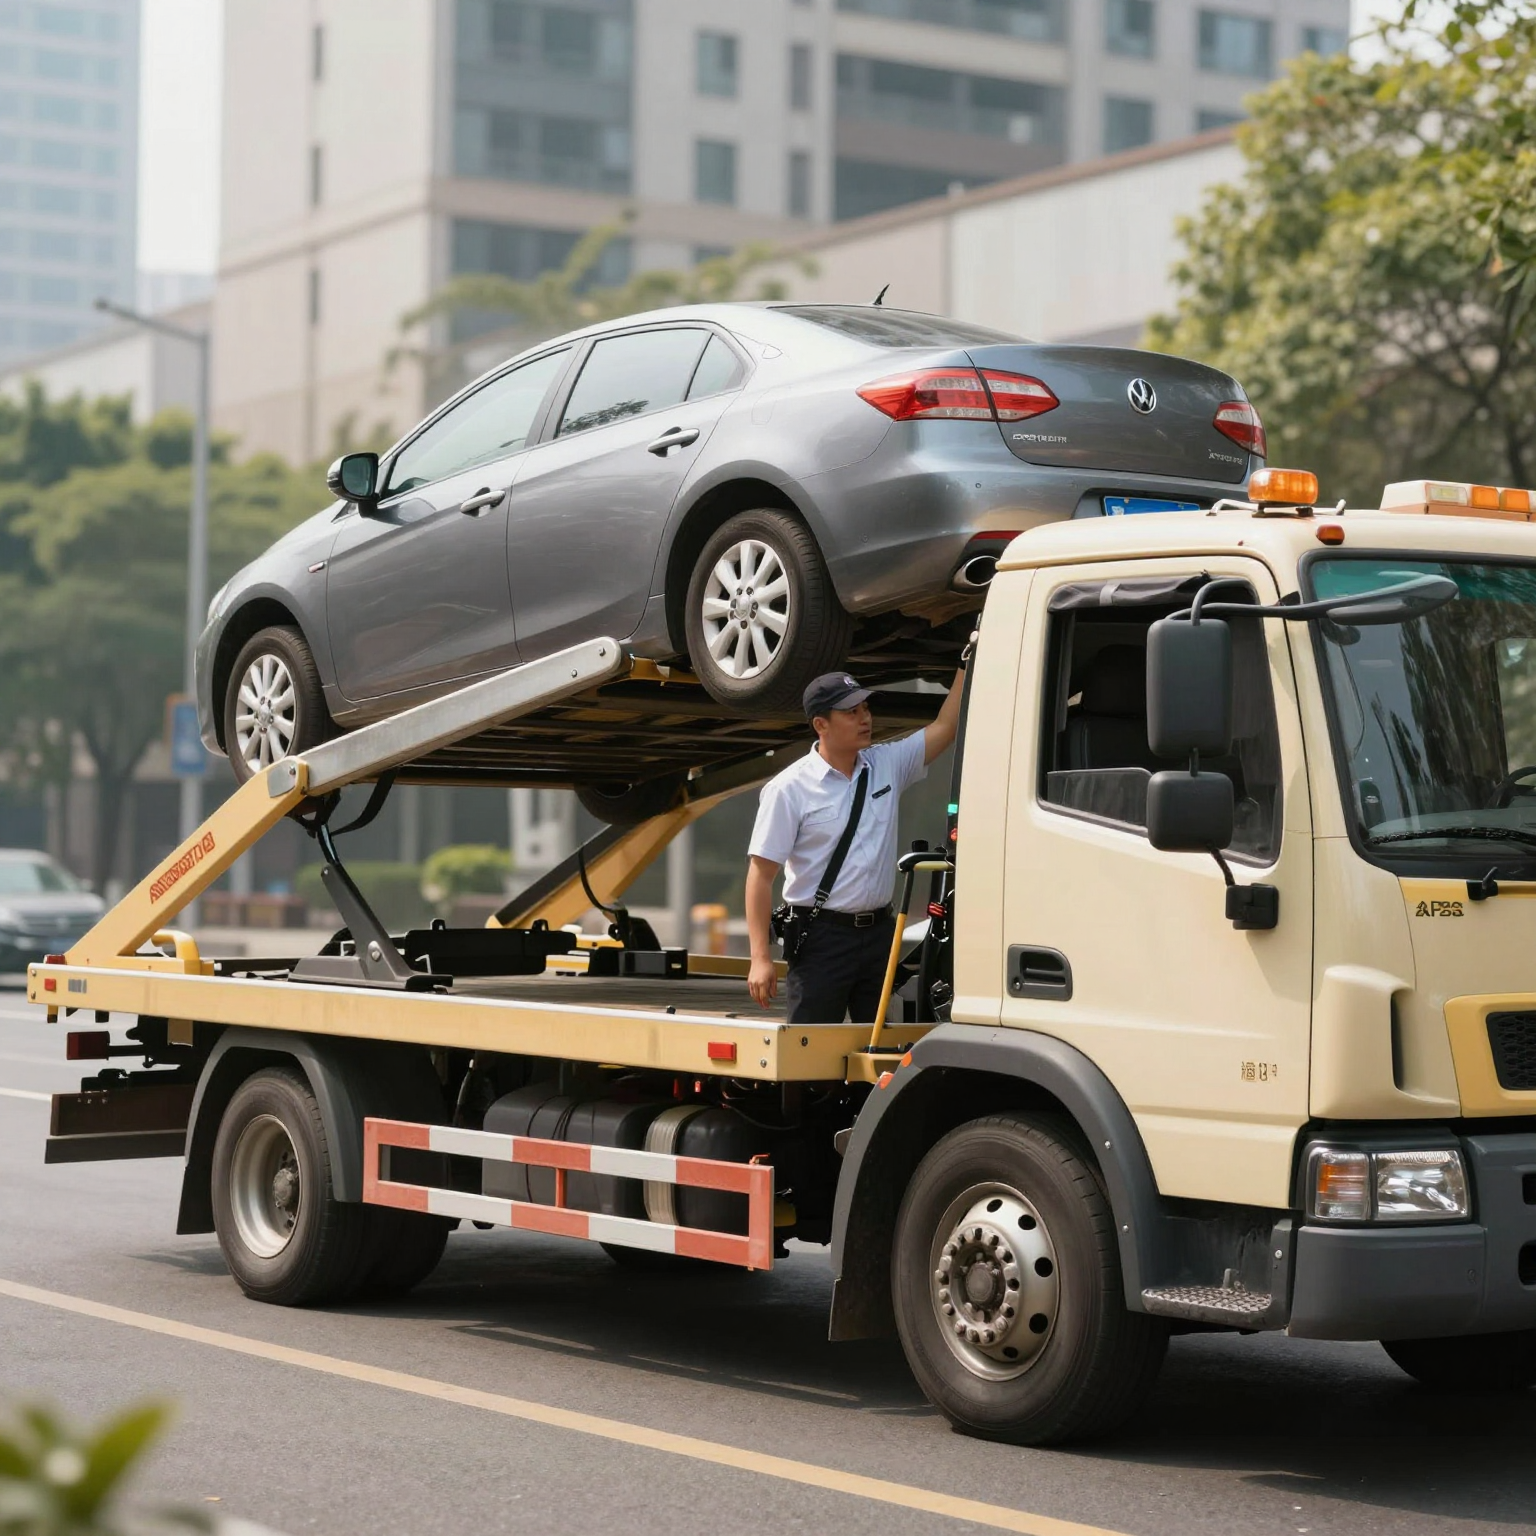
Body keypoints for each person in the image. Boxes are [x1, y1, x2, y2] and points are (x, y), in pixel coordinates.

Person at [745, 668, 964, 1022]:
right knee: (811, 1059)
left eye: (865, 709)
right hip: (820, 940)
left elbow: (945, 727)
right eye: (851, 712)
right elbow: (760, 876)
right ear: (821, 725)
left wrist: (965, 662)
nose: (865, 719)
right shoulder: (789, 788)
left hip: (880, 936)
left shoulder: (885, 764)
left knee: (878, 1058)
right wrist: (760, 959)